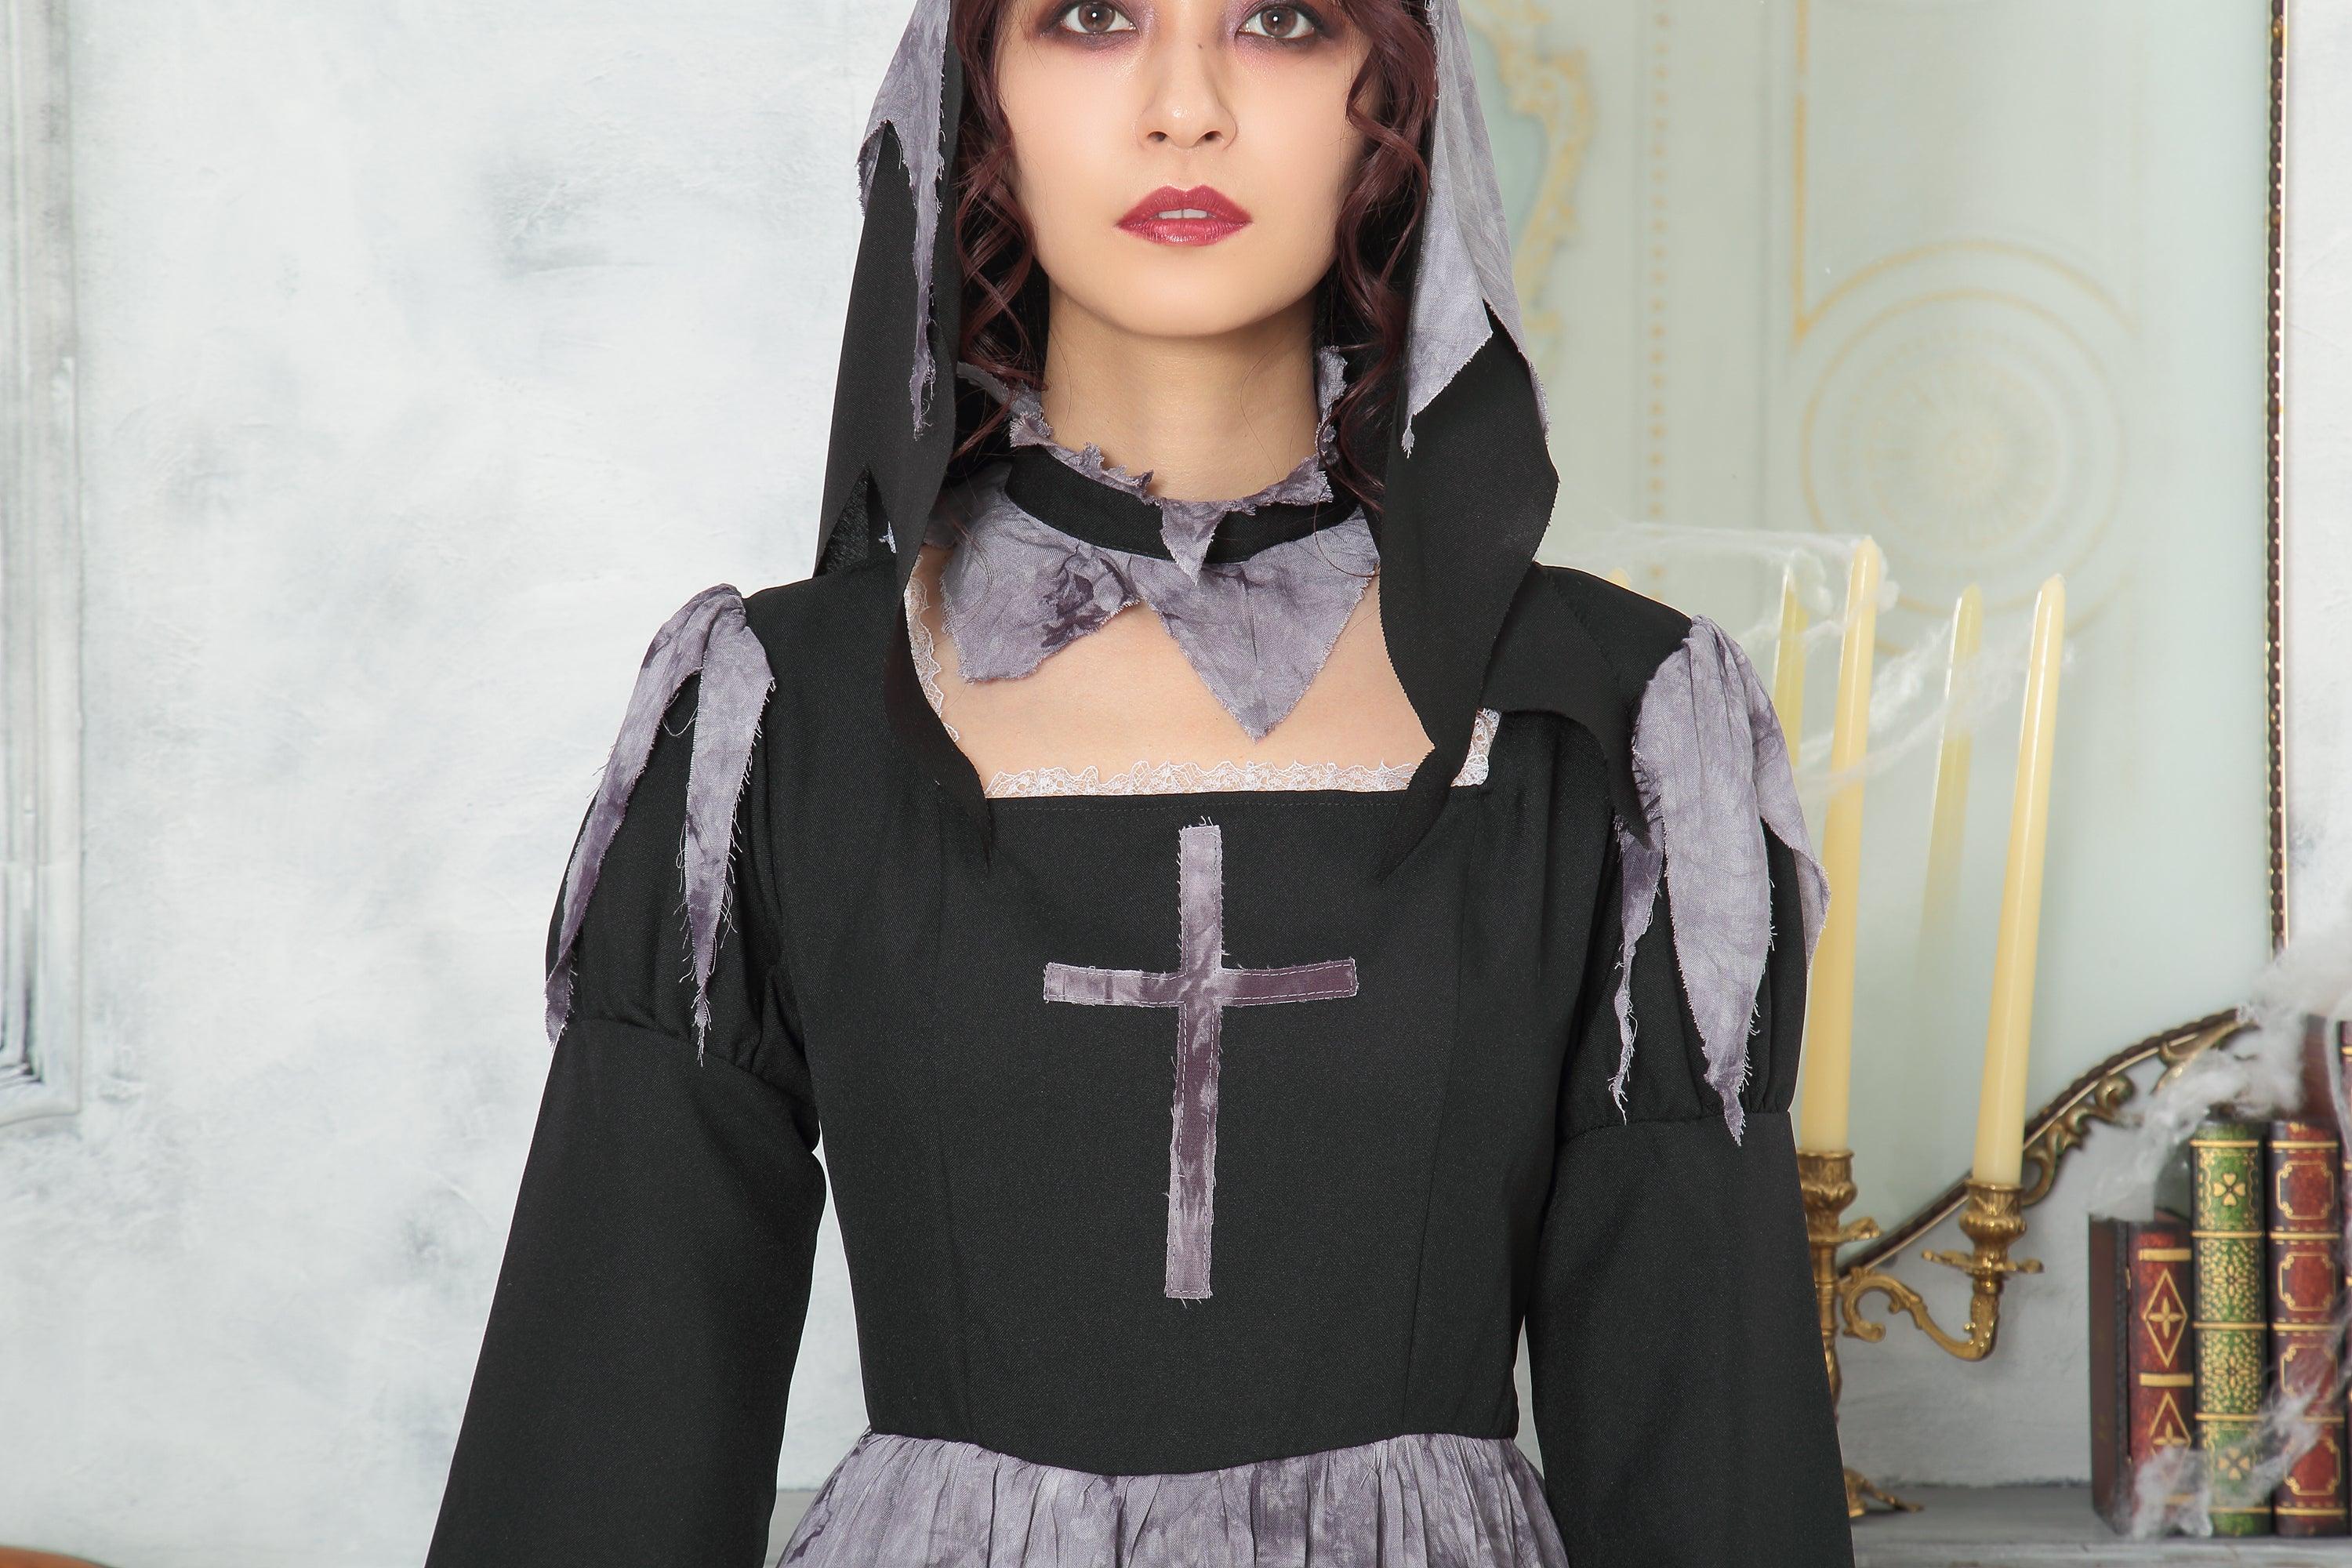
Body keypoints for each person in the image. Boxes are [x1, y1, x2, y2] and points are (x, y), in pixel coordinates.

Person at [422, 0, 1855, 1563]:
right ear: (978, 92)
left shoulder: (1612, 724)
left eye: (1281, 21)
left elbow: (1711, 1470)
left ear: (1397, 96)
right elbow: (602, 1440)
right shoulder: (776, 717)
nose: (1186, 106)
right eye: (1094, 17)